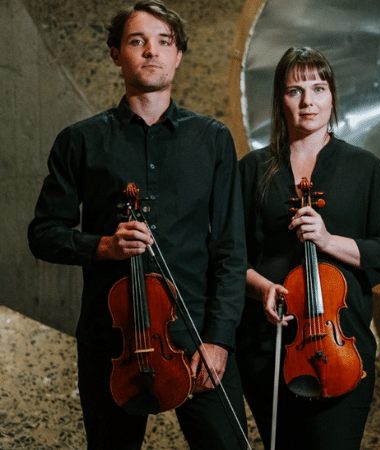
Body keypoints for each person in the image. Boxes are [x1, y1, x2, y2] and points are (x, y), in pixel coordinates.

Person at [27, 1, 248, 449]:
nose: (152, 51)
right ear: (116, 54)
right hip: (113, 346)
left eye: (164, 42)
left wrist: (219, 340)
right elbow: (43, 234)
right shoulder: (80, 141)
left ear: (178, 55)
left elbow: (229, 249)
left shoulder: (213, 140)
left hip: (195, 341)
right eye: (137, 41)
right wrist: (103, 246)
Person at [235, 46, 380, 450]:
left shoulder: (363, 167)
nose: (308, 101)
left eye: (318, 87)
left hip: (341, 347)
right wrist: (262, 289)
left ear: (332, 96)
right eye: (294, 90)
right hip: (269, 350)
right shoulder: (254, 169)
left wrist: (329, 241)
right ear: (280, 100)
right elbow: (230, 257)